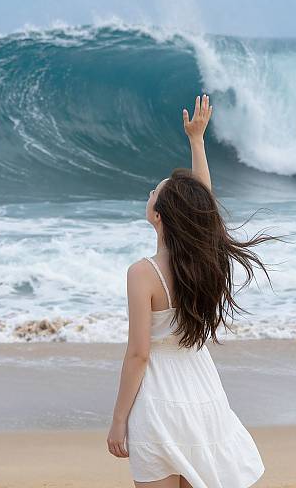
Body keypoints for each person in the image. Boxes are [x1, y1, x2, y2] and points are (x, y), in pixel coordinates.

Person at [107, 94, 276, 487]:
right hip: (203, 395)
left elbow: (138, 354)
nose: (150, 193)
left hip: (158, 401)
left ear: (158, 215)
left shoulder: (142, 273)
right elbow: (203, 207)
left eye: (154, 191)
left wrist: (118, 420)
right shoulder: (204, 263)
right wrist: (196, 141)